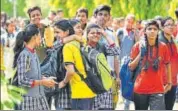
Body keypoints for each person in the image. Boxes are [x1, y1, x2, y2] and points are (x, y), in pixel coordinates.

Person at [129, 20, 172, 110]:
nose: (152, 31)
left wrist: (169, 82)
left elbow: (168, 64)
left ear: (158, 31)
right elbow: (131, 67)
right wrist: (141, 53)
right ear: (145, 31)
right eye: (149, 29)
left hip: (158, 89)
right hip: (140, 89)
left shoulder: (163, 46)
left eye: (155, 29)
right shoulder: (137, 46)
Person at [13, 24, 56, 110]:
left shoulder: (33, 52)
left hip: (40, 97)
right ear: (35, 37)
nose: (41, 38)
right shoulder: (25, 55)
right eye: (40, 35)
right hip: (29, 100)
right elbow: (22, 81)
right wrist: (42, 82)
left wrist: (45, 79)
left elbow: (33, 75)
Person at [57, 19, 96, 110]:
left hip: (78, 92)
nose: (81, 30)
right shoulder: (84, 44)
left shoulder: (69, 46)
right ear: (70, 30)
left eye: (81, 27)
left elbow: (70, 71)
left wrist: (63, 82)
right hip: (90, 90)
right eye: (78, 27)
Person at [93, 5, 120, 110]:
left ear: (109, 17)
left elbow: (116, 56)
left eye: (105, 15)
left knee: (108, 107)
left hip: (109, 76)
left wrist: (117, 76)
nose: (102, 17)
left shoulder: (111, 34)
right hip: (93, 76)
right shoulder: (89, 32)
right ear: (95, 16)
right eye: (100, 14)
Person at [159, 17, 178, 110]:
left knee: (169, 107)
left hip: (173, 82)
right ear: (162, 27)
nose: (171, 27)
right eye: (168, 24)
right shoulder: (159, 42)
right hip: (162, 83)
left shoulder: (173, 41)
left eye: (172, 24)